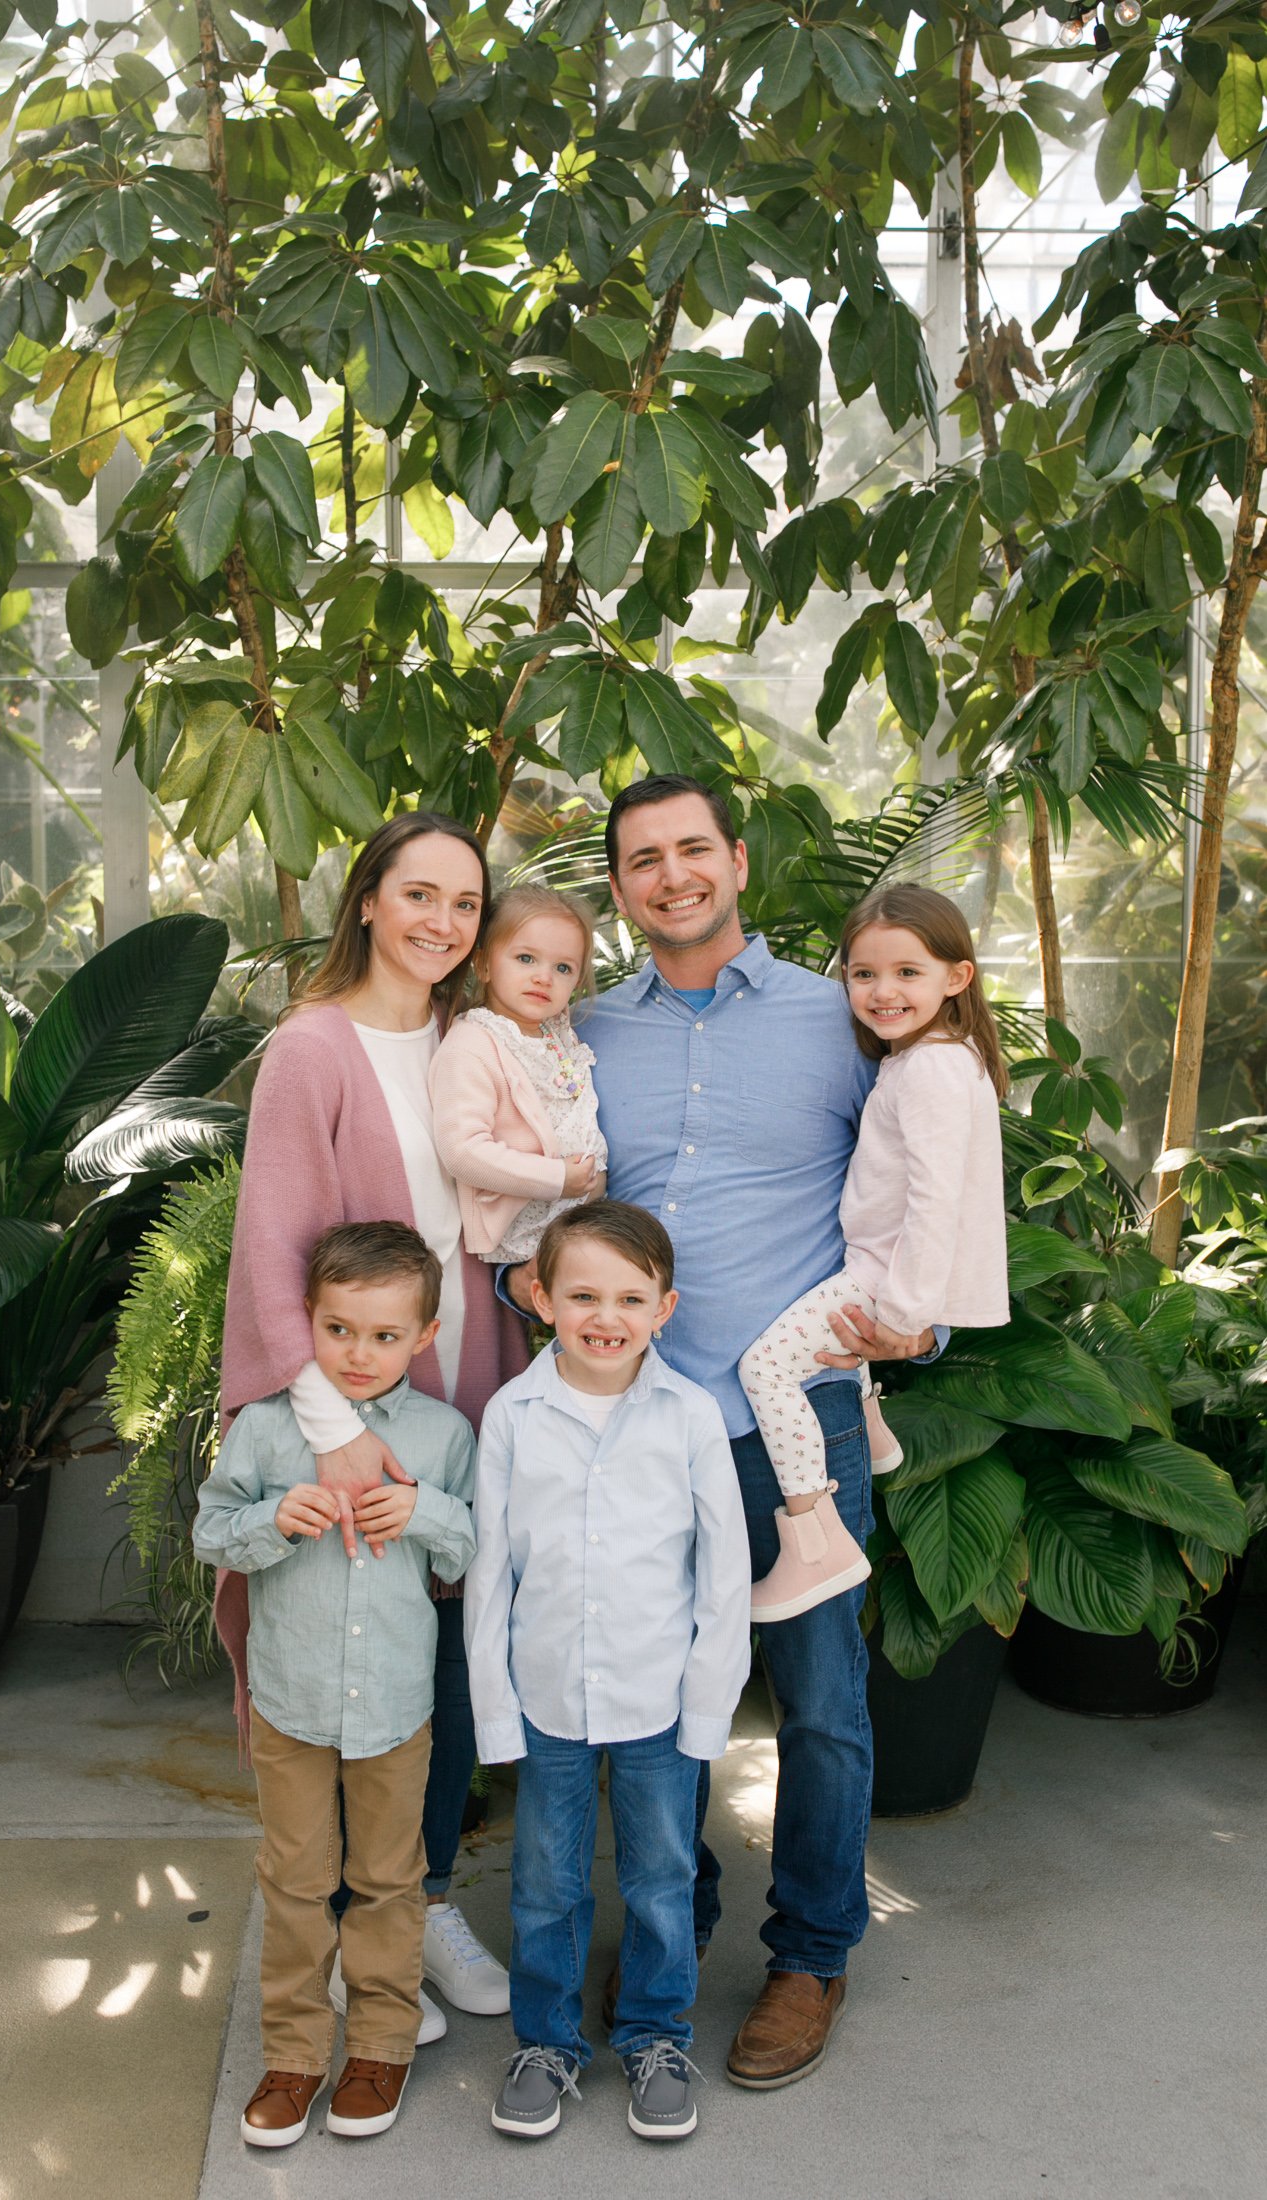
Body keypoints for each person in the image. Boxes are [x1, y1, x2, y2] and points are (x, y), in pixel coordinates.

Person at [503, 775, 949, 2091]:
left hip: (794, 1411)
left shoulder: (845, 1020)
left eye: (690, 849)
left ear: (734, 861)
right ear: (618, 887)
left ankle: (809, 1953)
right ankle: (666, 1923)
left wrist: (919, 1327)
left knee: (818, 1701)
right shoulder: (578, 1034)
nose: (670, 875)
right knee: (650, 1696)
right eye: (641, 859)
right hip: (635, 1421)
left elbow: (927, 1179)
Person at [218, 812, 527, 2033]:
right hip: (344, 1406)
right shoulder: (313, 1046)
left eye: (465, 902)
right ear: (366, 901)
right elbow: (272, 1250)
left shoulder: (472, 1038)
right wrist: (331, 1427)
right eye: (419, 894)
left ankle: (417, 1903)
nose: (443, 921)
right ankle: (348, 1926)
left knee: (436, 1658)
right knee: (342, 1660)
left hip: (467, 1392)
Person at [465, 1202, 750, 2145]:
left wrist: (708, 1713)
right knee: (546, 1879)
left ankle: (656, 2035)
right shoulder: (512, 1415)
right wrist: (495, 1714)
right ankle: (545, 2043)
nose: (605, 1315)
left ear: (666, 1308)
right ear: (541, 1297)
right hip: (547, 1696)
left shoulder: (691, 1416)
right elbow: (490, 1575)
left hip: (658, 1701)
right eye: (582, 1293)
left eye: (630, 1297)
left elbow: (721, 1578)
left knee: (662, 1876)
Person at [195, 1223, 476, 2147]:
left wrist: (425, 1510)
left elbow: (474, 1545)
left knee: (391, 1880)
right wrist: (274, 1518)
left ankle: (382, 2044)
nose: (359, 1355)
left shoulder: (442, 1434)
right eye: (339, 1329)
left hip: (395, 1706)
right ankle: (293, 2054)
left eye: (386, 1336)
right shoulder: (270, 1426)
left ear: (424, 1337)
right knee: (294, 1881)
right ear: (307, 1323)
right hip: (293, 1701)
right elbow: (212, 1530)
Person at [739, 885, 1010, 1621]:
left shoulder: (927, 1068)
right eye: (863, 974)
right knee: (815, 1339)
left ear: (956, 977)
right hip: (879, 1262)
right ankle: (877, 1434)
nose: (881, 991)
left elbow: (934, 1199)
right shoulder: (933, 1056)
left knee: (763, 1369)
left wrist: (903, 1312)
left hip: (886, 1274)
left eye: (906, 973)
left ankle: (812, 1541)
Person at [428, 883, 608, 1264]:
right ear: (484, 965)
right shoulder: (473, 1044)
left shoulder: (555, 1034)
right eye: (526, 958)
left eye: (563, 968)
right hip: (529, 1236)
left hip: (582, 1222)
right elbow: (462, 1152)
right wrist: (557, 1179)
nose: (544, 977)